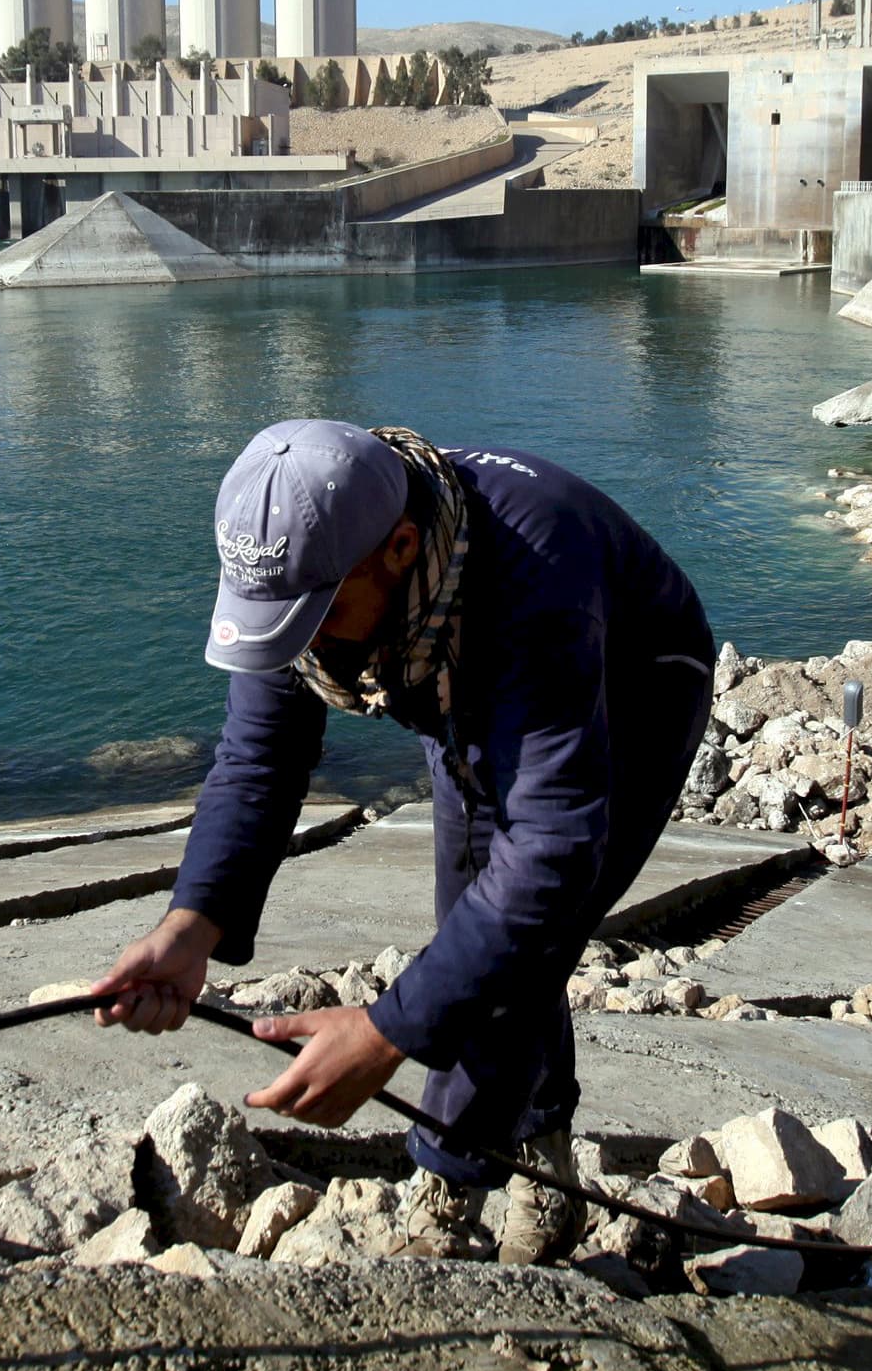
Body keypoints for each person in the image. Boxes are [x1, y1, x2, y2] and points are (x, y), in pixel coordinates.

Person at [88, 420, 714, 1263]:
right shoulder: (314, 559)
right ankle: (539, 1142)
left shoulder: (533, 583)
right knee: (477, 933)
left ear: (402, 548)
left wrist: (385, 1033)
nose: (300, 639)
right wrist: (189, 924)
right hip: (454, 662)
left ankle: (447, 1193)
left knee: (519, 929)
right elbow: (258, 761)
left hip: (633, 680)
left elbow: (550, 859)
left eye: (318, 615)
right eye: (281, 619)